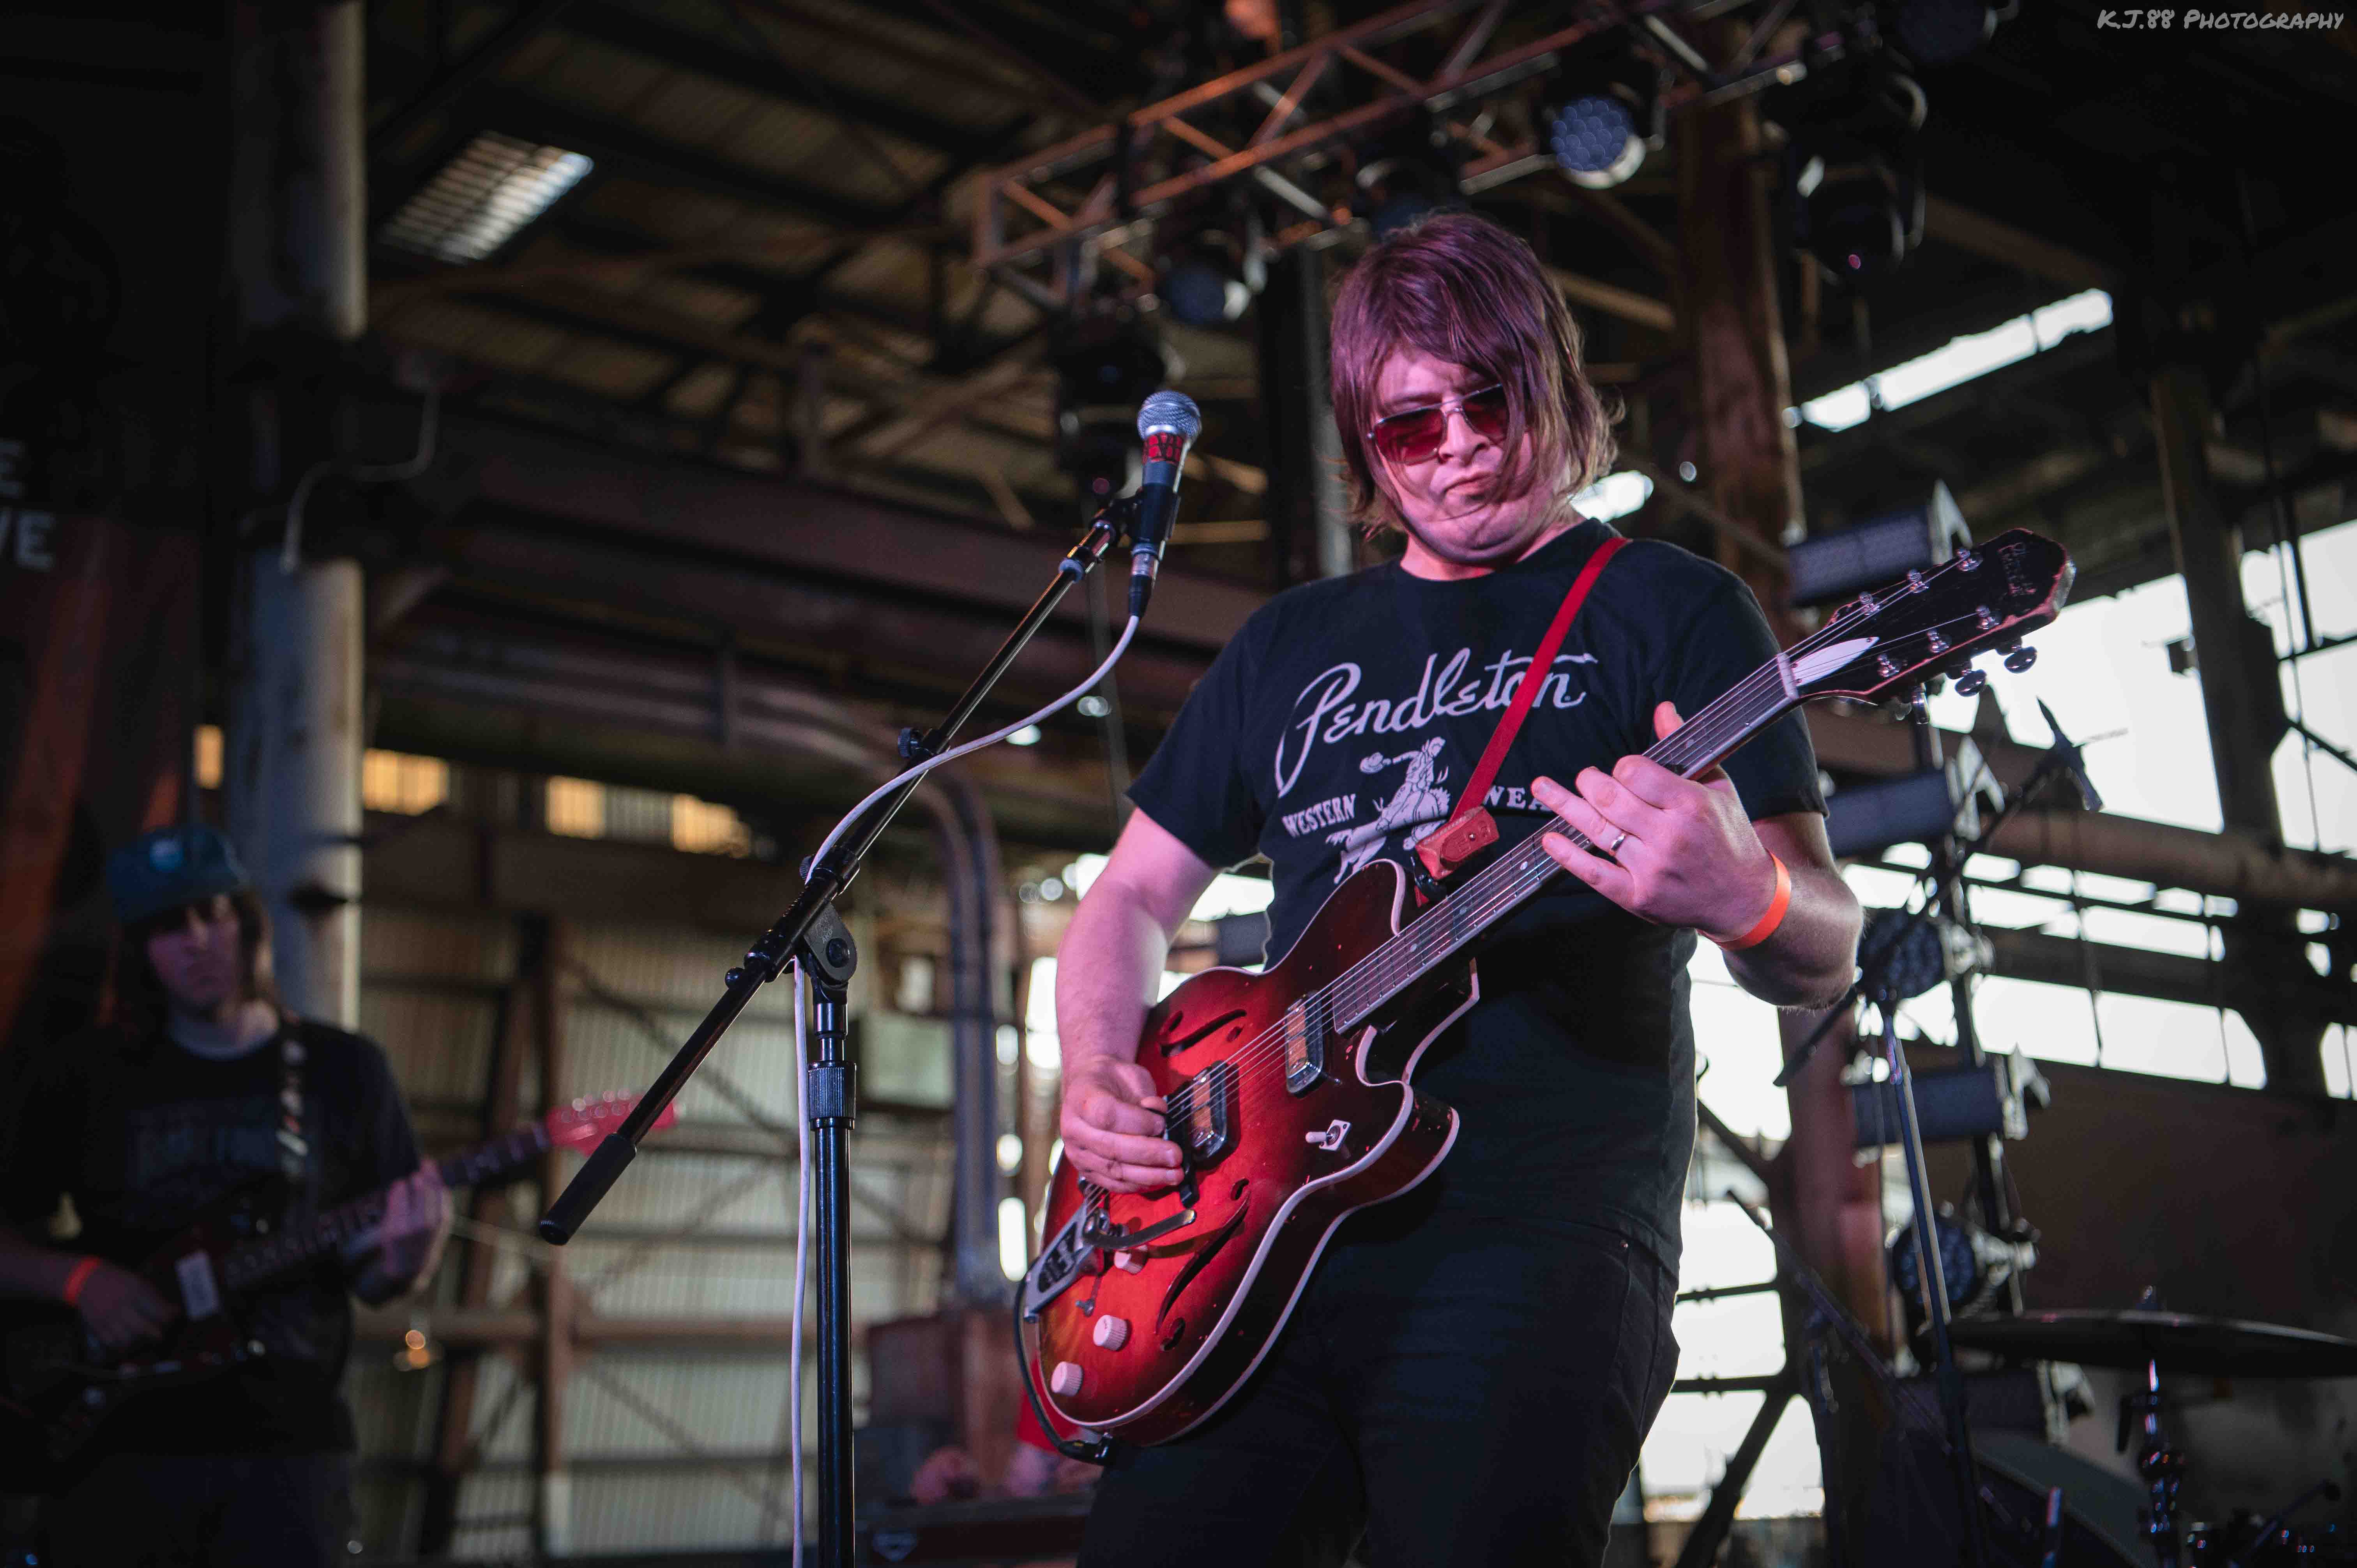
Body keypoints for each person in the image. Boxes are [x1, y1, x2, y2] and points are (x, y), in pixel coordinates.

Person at [1052, 212, 1862, 1566]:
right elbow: (1128, 896)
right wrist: (1092, 1067)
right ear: (1364, 445)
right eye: (1409, 424)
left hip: (1529, 1244)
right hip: (1254, 1246)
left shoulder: (1669, 607)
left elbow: (1822, 940)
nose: (1461, 445)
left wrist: (1742, 897)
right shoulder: (1285, 646)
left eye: (1486, 399)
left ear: (1547, 376)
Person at [0, 823, 451, 1566]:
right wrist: (80, 1281)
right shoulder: (86, 1074)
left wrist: (414, 1253)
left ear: (248, 922)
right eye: (171, 927)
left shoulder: (346, 1070)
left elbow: (378, 1282)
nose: (200, 941)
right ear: (141, 952)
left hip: (288, 1450)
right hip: (116, 1440)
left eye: (215, 914)